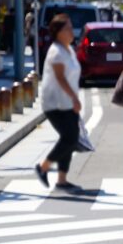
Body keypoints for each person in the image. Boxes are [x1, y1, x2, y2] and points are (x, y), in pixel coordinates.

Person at [34, 14, 82, 191]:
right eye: (68, 28)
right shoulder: (56, 51)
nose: (71, 31)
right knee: (69, 138)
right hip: (55, 103)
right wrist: (75, 98)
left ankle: (62, 179)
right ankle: (43, 167)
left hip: (67, 103)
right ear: (58, 32)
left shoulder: (68, 49)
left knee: (71, 138)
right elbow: (60, 78)